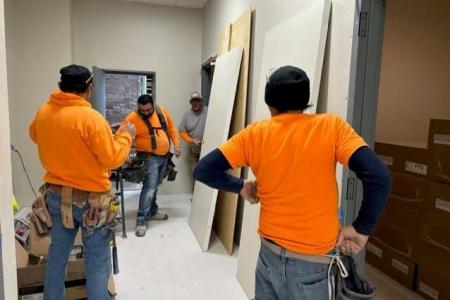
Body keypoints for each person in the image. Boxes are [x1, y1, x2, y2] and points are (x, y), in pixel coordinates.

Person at [193, 66, 391, 300]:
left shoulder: (255, 134)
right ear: (305, 100)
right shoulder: (332, 127)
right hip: (312, 265)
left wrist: (241, 186)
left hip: (268, 256)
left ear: (270, 103)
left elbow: (203, 170)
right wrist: (361, 228)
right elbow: (379, 176)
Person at [29, 64, 135, 300]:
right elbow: (114, 158)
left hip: (57, 198)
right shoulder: (91, 118)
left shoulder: (44, 111)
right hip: (92, 203)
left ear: (60, 87)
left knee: (57, 256)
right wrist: (126, 134)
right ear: (89, 88)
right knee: (96, 261)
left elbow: (34, 134)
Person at [122, 94, 181, 237]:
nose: (146, 113)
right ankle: (141, 220)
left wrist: (176, 145)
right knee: (149, 188)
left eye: (148, 110)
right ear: (138, 107)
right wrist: (123, 156)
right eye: (142, 110)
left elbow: (172, 129)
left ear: (153, 104)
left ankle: (152, 211)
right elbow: (122, 136)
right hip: (149, 158)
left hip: (164, 157)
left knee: (155, 185)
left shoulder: (162, 112)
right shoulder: (132, 118)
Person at [179, 91, 208, 161]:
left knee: (208, 170)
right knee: (195, 170)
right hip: (194, 151)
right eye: (193, 101)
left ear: (201, 101)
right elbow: (182, 132)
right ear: (191, 103)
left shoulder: (209, 111)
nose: (196, 103)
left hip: (208, 149)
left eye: (198, 100)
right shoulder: (186, 115)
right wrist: (191, 140)